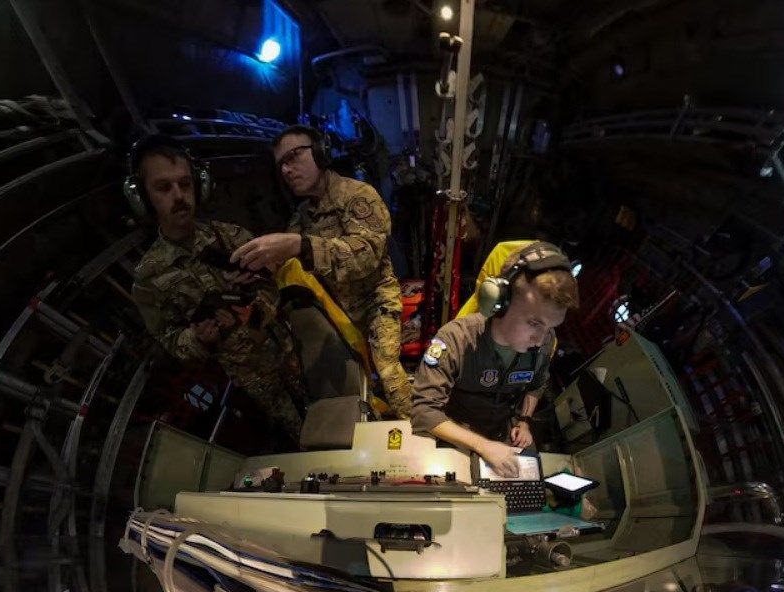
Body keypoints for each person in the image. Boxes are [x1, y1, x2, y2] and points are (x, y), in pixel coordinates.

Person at [126, 134, 304, 441]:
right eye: (163, 187)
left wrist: (257, 306)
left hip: (292, 357)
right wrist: (197, 339)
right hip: (250, 391)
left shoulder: (232, 236)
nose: (179, 195)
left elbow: (276, 284)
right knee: (298, 448)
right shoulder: (148, 278)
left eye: (185, 183)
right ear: (143, 198)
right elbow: (165, 341)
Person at [229, 125, 412, 419]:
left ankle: (422, 433)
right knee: (344, 383)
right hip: (337, 312)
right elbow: (291, 268)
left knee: (388, 371)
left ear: (320, 152)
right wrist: (260, 272)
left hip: (375, 302)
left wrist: (300, 245)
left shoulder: (357, 196)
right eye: (281, 165)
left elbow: (366, 255)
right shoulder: (301, 217)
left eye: (294, 157)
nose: (287, 170)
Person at [411, 242, 579, 477]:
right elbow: (424, 413)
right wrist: (483, 446)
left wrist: (524, 421)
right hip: (456, 439)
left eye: (551, 327)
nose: (541, 340)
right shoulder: (456, 340)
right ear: (498, 305)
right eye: (534, 323)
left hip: (502, 439)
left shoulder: (545, 340)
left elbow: (537, 383)